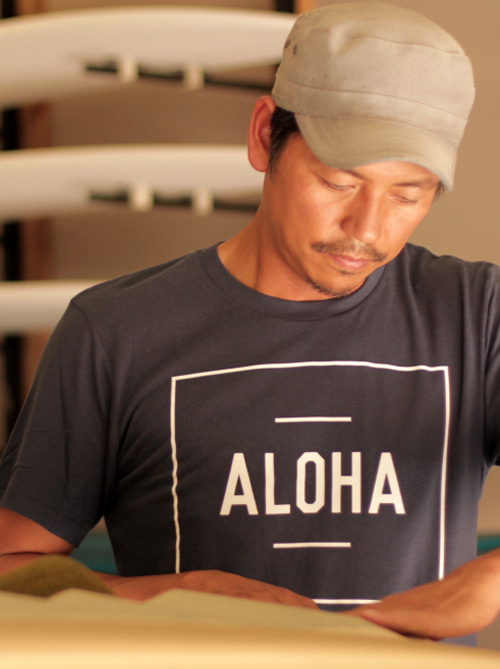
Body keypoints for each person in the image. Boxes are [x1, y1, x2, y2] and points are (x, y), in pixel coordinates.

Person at [0, 1, 497, 646]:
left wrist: (491, 576)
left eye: (409, 193)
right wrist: (173, 594)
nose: (369, 230)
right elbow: (9, 567)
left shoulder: (478, 314)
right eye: (338, 182)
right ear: (265, 136)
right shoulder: (113, 332)